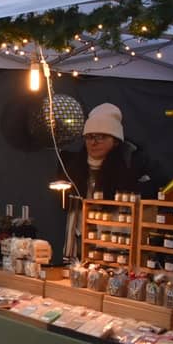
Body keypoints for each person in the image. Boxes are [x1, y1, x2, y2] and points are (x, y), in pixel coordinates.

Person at [61, 102, 157, 257]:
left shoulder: (132, 165)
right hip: (83, 246)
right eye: (89, 137)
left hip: (119, 247)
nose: (93, 142)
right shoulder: (75, 168)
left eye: (100, 137)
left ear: (115, 140)